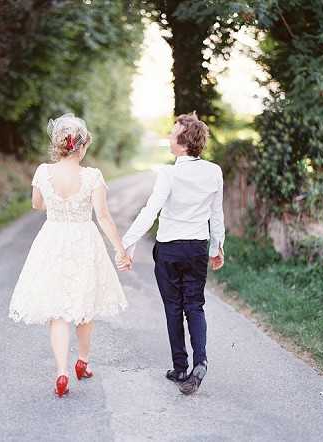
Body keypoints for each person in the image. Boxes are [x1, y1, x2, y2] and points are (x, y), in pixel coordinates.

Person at [8, 113, 132, 397]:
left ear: (59, 145)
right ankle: (82, 363)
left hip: (52, 239)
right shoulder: (92, 176)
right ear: (82, 145)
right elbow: (103, 216)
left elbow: (36, 204)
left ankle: (61, 372)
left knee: (58, 309)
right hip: (84, 241)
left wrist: (54, 202)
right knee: (84, 304)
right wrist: (120, 250)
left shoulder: (43, 171)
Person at [122, 111, 225, 395]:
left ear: (182, 141)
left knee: (173, 308)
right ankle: (200, 361)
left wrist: (127, 243)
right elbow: (217, 215)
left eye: (172, 132)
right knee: (195, 304)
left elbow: (150, 211)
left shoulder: (168, 173)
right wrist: (217, 247)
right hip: (196, 248)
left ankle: (180, 368)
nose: (168, 136)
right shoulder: (214, 171)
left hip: (169, 249)